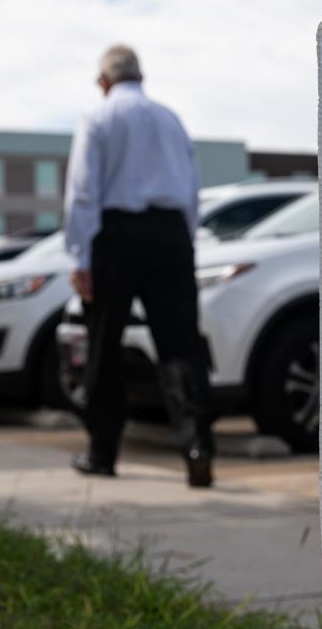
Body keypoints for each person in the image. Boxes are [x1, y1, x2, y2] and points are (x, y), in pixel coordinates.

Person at [63, 44, 214, 488]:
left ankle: (102, 452)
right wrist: (181, 244)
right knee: (181, 346)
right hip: (170, 235)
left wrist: (79, 256)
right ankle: (197, 446)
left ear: (103, 81)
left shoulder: (99, 118)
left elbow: (83, 192)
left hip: (117, 235)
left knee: (103, 346)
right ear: (140, 76)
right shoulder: (171, 120)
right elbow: (191, 192)